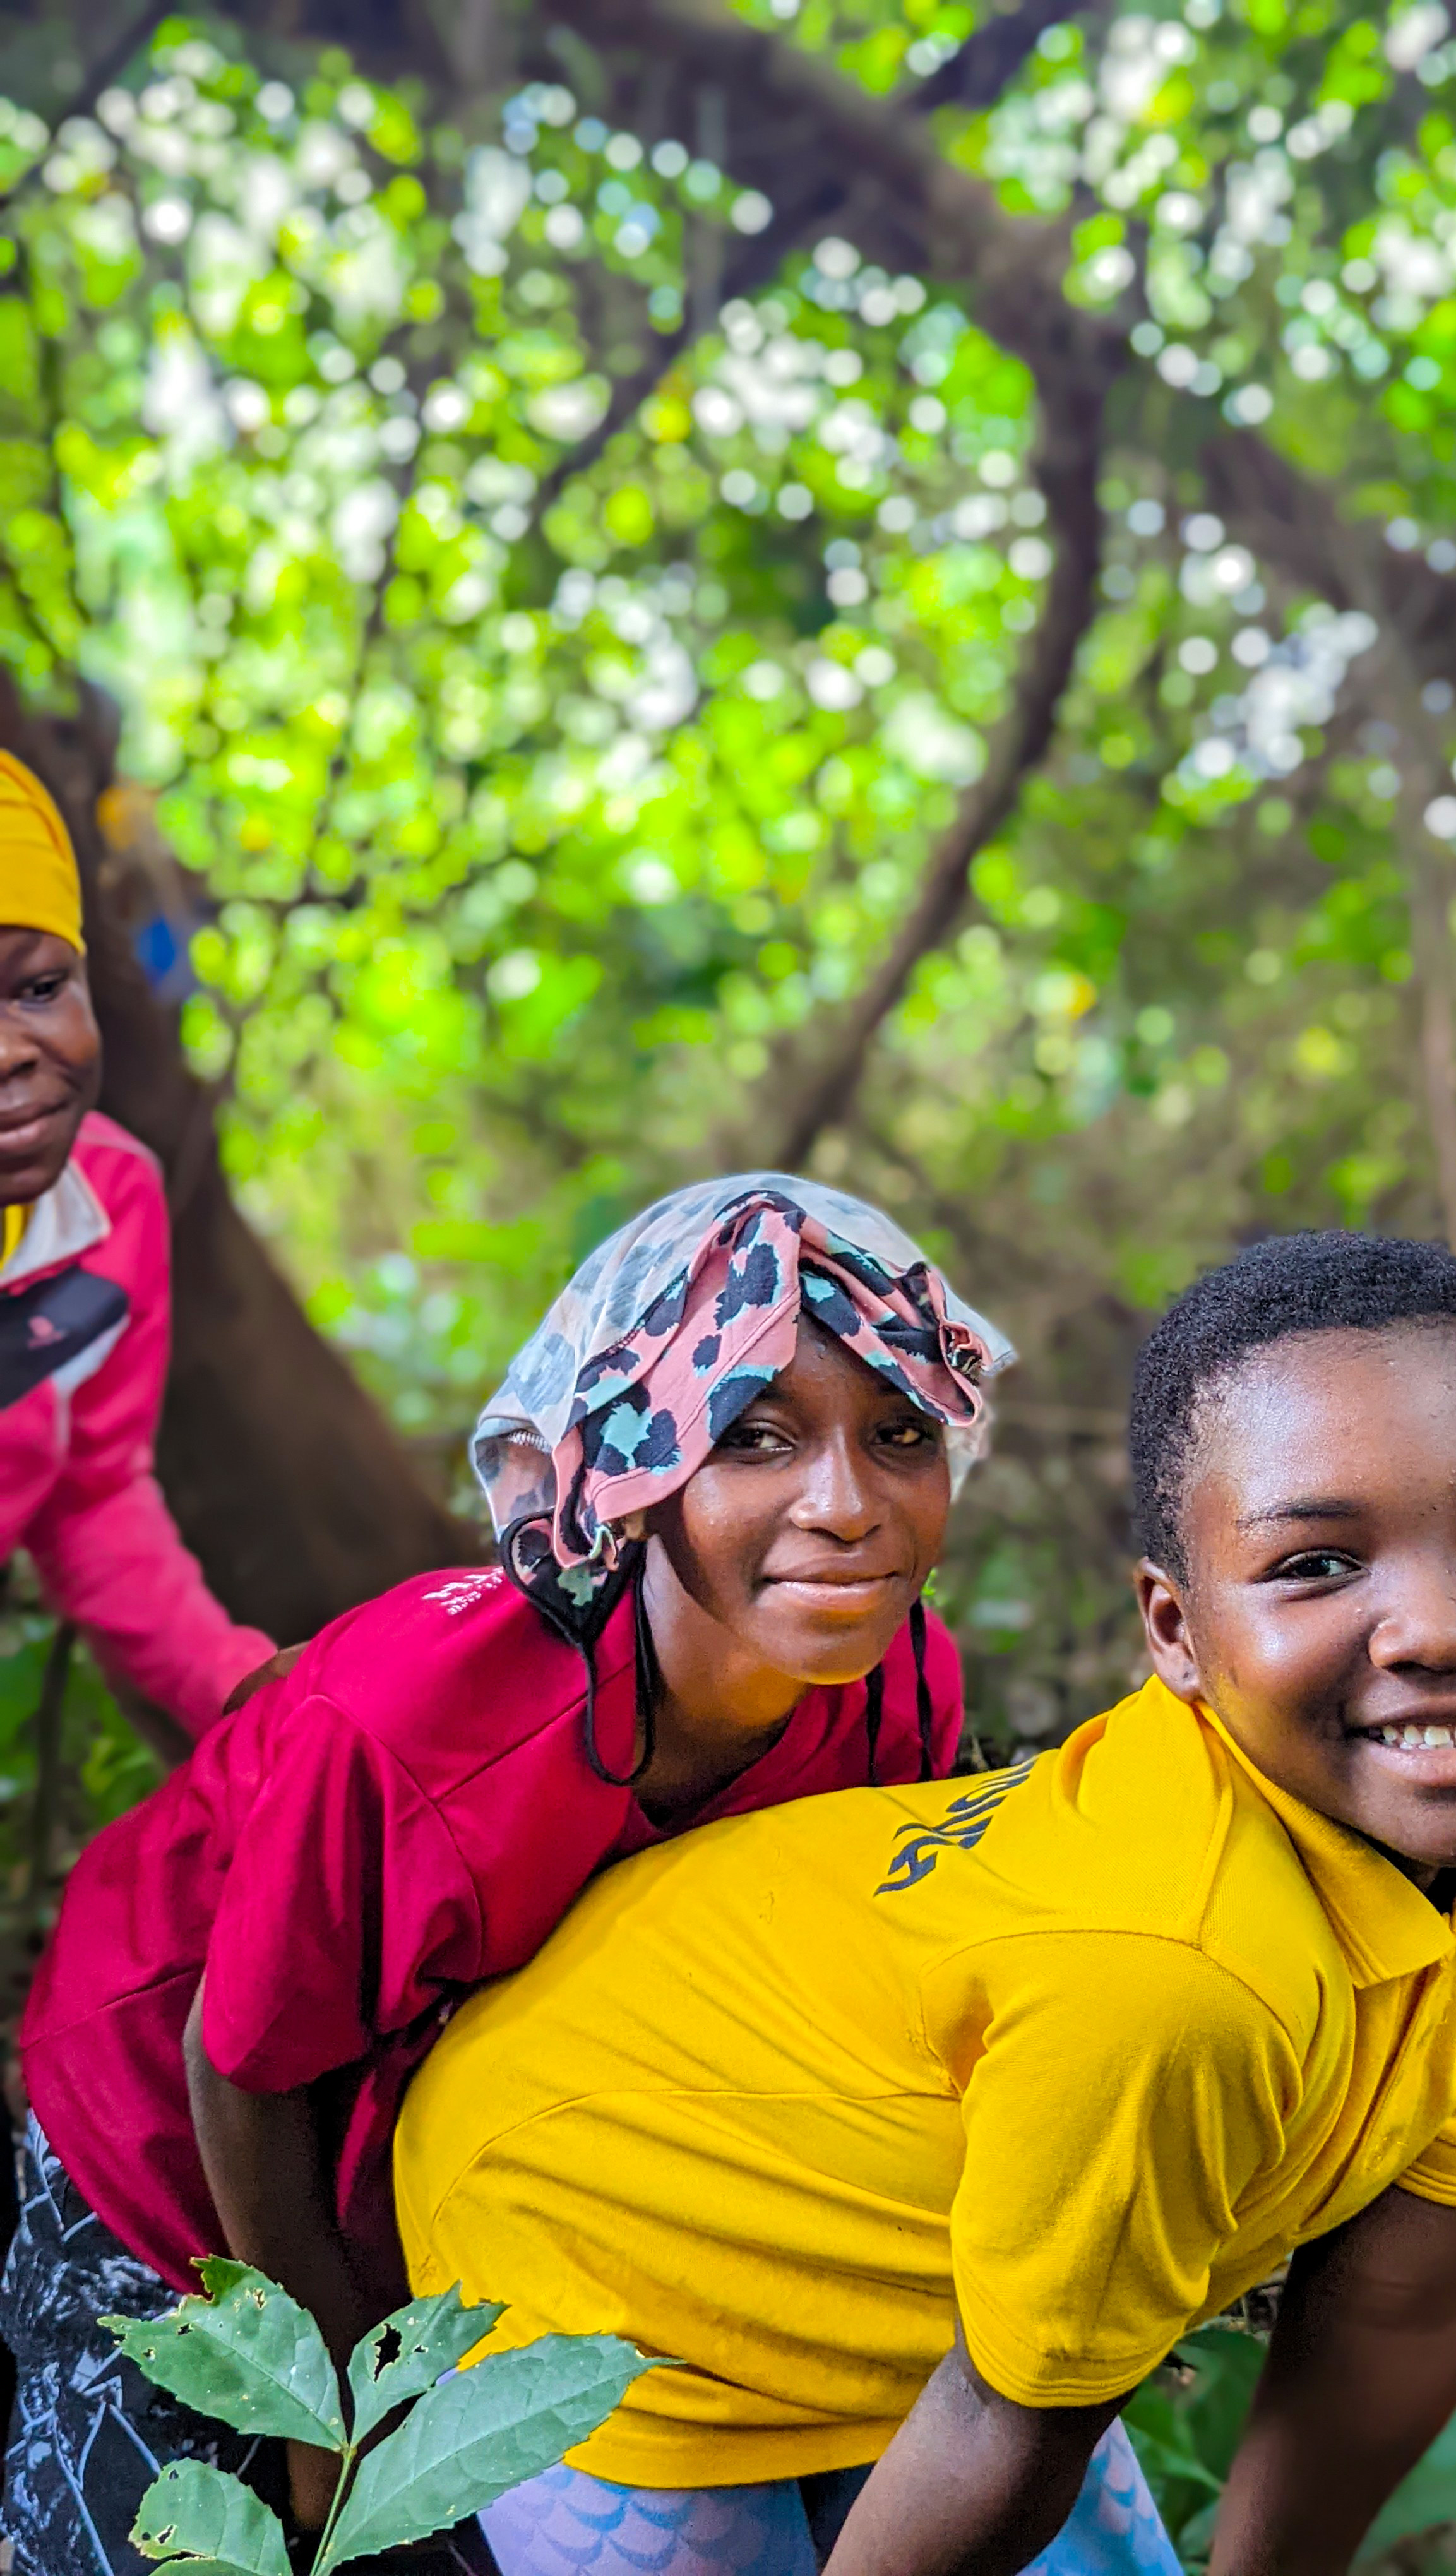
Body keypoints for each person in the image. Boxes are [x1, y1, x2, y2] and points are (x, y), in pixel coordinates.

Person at [395, 1229, 1456, 2576]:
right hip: (596, 2252)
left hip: (932, 2264)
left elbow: (1413, 2276)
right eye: (1316, 1563)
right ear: (1175, 1633)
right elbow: (1004, 2426)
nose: (1444, 1629)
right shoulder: (1175, 1973)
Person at [1, 1176, 1010, 2576]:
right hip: (181, 2164)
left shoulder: (897, 1689)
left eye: (899, 1435)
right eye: (752, 1436)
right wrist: (335, 2426)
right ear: (637, 1471)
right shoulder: (422, 1722)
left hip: (490, 2199)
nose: (846, 1505)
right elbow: (237, 2072)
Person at [0, 747, 275, 1736]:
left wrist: (236, 1686)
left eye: (38, 988)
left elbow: (91, 1493)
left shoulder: (108, 1205)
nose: (11, 1053)